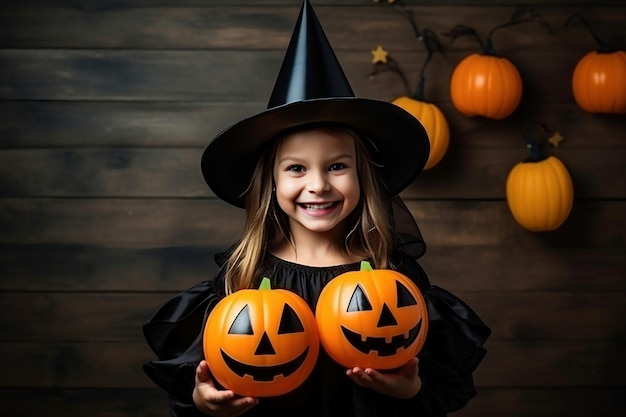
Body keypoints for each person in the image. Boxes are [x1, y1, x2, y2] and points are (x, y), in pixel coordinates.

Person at [143, 1, 491, 416]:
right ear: (270, 181)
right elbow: (202, 378)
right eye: (296, 168)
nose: (319, 185)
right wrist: (206, 401)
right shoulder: (244, 277)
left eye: (338, 166)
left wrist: (409, 388)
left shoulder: (393, 279)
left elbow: (441, 388)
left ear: (364, 176)